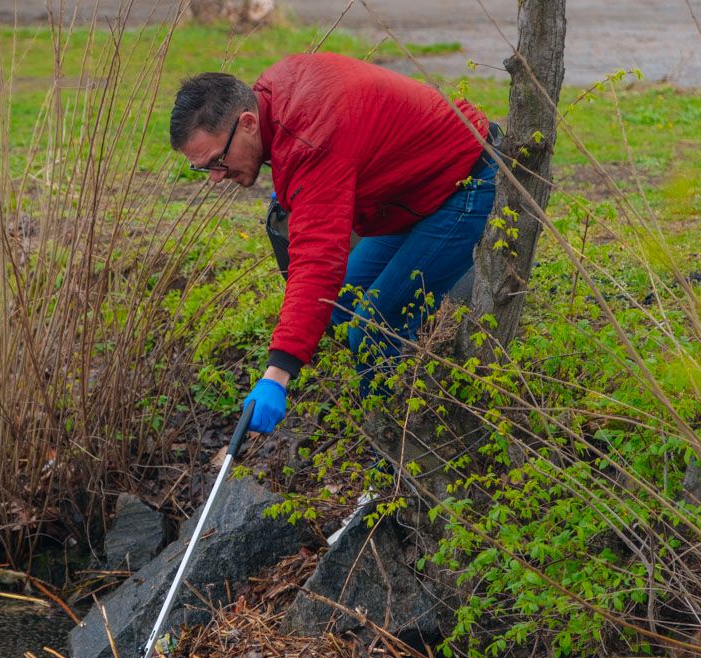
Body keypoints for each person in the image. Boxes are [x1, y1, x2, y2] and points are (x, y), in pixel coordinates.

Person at [170, 53, 500, 434]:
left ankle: (397, 468)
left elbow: (318, 259)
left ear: (246, 123)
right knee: (341, 301)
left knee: (374, 330)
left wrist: (277, 374)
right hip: (411, 192)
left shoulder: (310, 137)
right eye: (202, 168)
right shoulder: (274, 94)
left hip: (466, 178)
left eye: (216, 160)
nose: (214, 177)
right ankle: (417, 383)